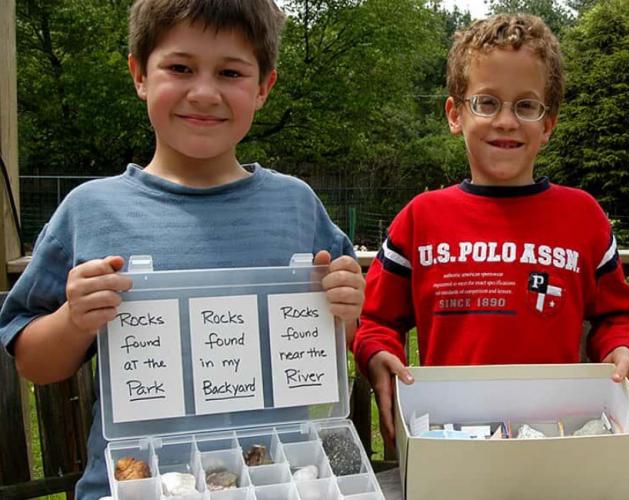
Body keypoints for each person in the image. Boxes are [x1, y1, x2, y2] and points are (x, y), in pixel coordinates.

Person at [0, 1, 365, 498]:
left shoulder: (297, 205)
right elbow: (32, 363)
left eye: (231, 72)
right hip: (133, 484)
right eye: (180, 67)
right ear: (139, 75)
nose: (204, 92)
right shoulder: (90, 211)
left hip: (279, 482)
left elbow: (343, 334)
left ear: (262, 88)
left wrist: (345, 311)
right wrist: (74, 319)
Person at [352, 14, 629, 450]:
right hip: (451, 444)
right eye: (487, 103)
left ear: (548, 124)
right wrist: (378, 356)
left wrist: (622, 348)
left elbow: (618, 315)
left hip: (555, 443)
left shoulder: (582, 216)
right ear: (455, 115)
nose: (507, 121)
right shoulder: (420, 218)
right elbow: (376, 320)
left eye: (526, 106)